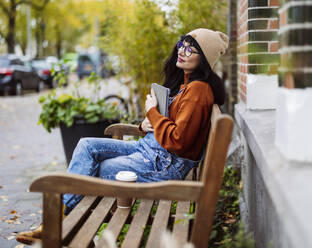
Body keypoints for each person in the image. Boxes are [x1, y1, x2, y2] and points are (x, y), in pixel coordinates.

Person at [16, 28, 229, 245]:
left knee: (92, 170)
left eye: (191, 49)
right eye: (182, 45)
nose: (181, 51)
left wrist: (152, 112)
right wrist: (146, 124)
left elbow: (177, 141)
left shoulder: (198, 91)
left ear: (204, 60)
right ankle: (64, 222)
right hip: (151, 150)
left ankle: (58, 225)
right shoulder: (186, 85)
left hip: (162, 165)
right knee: (86, 146)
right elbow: (172, 126)